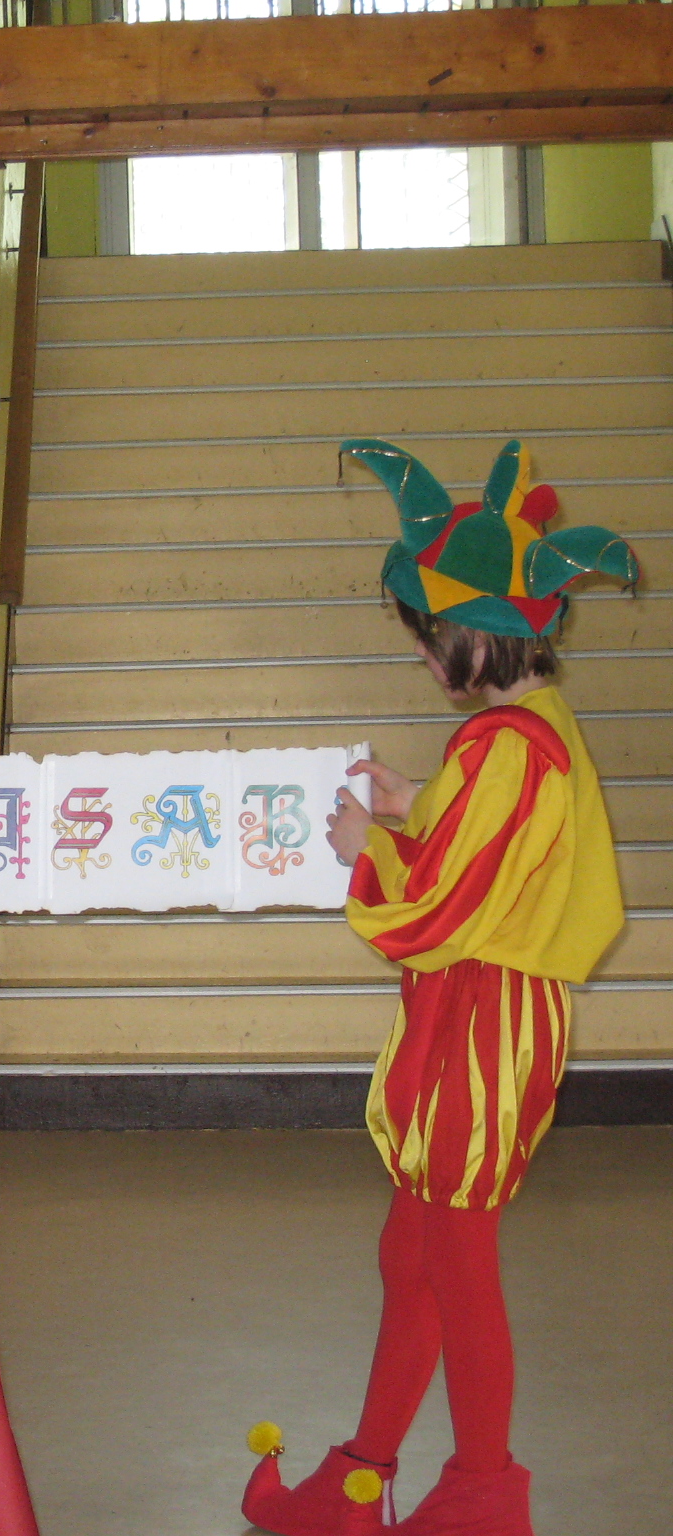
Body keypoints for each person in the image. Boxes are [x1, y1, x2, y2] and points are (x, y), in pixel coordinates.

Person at [242, 438, 638, 1536]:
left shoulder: (506, 747)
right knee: (412, 1251)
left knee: (455, 1262)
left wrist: (365, 847)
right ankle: (363, 1476)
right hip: (478, 1010)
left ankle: (482, 1489)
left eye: (429, 639)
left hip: (483, 1018)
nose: (423, 658)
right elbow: (494, 846)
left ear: (474, 636)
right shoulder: (525, 734)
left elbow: (442, 905)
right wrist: (413, 800)